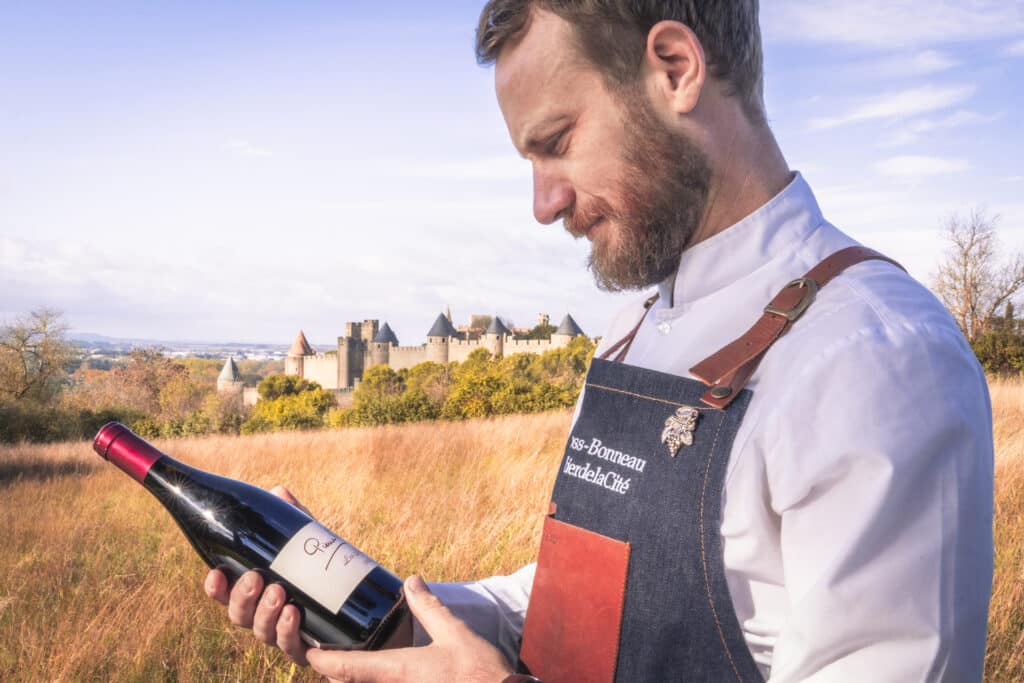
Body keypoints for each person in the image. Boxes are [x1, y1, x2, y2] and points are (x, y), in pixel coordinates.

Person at [204, 2, 995, 681]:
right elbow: (575, 605)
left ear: (677, 68)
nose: (542, 204)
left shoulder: (875, 360)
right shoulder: (631, 334)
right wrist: (386, 614)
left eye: (556, 140)